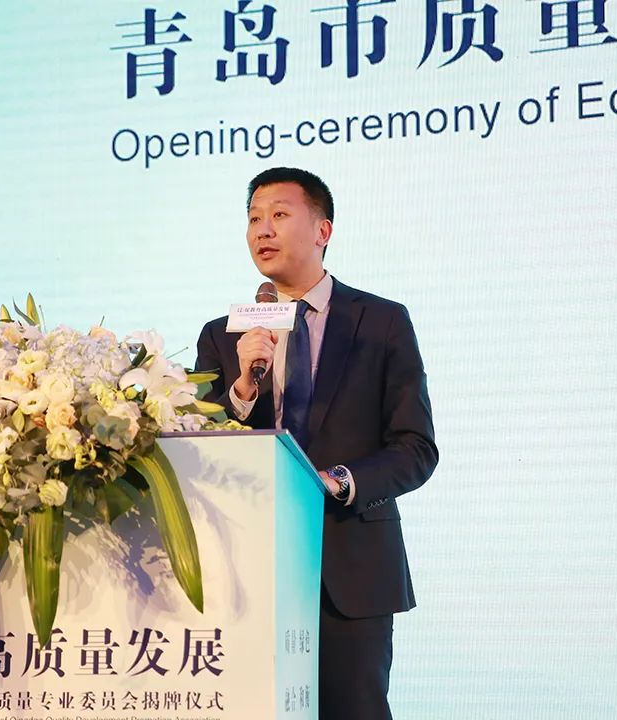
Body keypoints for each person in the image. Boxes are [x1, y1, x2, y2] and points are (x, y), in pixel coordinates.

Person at [194, 167, 438, 720]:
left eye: (279, 215)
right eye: (254, 218)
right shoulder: (223, 335)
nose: (263, 229)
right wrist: (243, 387)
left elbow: (415, 447)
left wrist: (340, 481)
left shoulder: (381, 322)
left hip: (351, 567)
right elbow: (199, 447)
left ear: (323, 230)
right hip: (248, 571)